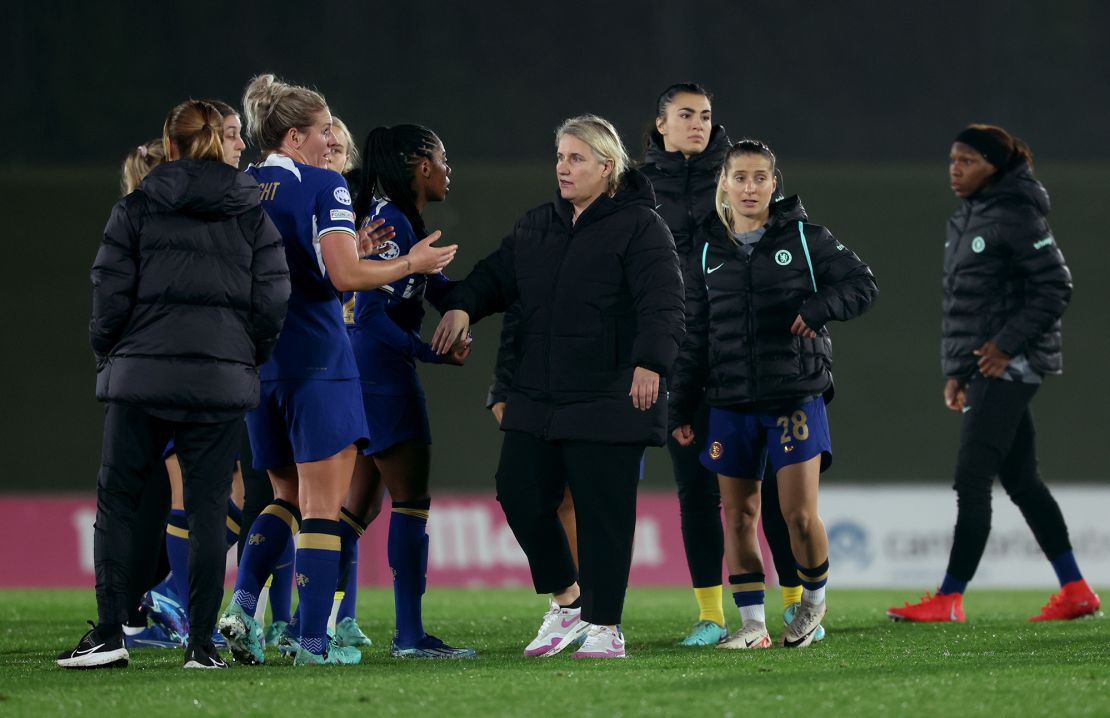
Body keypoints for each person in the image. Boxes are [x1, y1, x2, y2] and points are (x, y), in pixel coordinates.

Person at [218, 73, 456, 667]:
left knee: (284, 495)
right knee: (324, 506)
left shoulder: (237, 187)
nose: (333, 141)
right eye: (325, 130)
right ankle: (312, 640)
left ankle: (243, 605)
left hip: (258, 367)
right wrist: (410, 262)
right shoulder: (324, 185)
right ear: (295, 135)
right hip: (319, 361)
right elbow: (345, 278)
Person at [432, 114, 685, 659]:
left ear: (607, 167)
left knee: (604, 513)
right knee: (518, 493)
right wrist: (460, 306)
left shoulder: (642, 227)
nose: (563, 168)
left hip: (609, 393)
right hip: (539, 396)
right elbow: (493, 277)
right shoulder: (536, 225)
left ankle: (605, 625)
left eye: (576, 159)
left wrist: (651, 364)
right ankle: (569, 601)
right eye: (560, 157)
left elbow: (663, 303)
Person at [58, 99, 290, 670]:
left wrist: (113, 354)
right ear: (215, 142)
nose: (241, 146)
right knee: (210, 508)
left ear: (172, 143)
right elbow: (273, 301)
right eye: (233, 137)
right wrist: (242, 357)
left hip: (141, 380)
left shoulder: (136, 208)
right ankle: (201, 646)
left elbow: (108, 295)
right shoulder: (251, 213)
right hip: (217, 382)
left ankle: (111, 634)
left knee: (117, 501)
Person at [670, 139, 877, 650]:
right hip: (729, 401)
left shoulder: (805, 238)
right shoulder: (703, 248)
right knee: (739, 516)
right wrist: (681, 404)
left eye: (760, 177)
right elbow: (695, 332)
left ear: (774, 184)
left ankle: (812, 603)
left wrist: (819, 307)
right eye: (739, 177)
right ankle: (753, 627)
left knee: (798, 516)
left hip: (794, 397)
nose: (749, 187)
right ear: (723, 183)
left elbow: (861, 283)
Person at [888, 124, 1100, 623]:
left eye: (967, 161)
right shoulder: (969, 218)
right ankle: (1075, 589)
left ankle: (949, 597)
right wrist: (959, 371)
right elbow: (970, 308)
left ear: (994, 166)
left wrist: (1005, 346)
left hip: (1012, 365)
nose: (955, 170)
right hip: (987, 368)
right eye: (951, 161)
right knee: (1023, 481)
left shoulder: (1017, 214)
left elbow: (1055, 287)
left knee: (972, 479)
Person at [328, 123, 475, 659]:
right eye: (441, 158)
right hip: (382, 378)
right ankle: (410, 636)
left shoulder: (396, 217)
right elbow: (371, 316)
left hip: (358, 375)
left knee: (354, 512)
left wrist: (469, 299)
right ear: (420, 166)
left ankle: (311, 623)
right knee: (411, 504)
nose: (447, 169)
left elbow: (426, 285)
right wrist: (430, 352)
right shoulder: (391, 220)